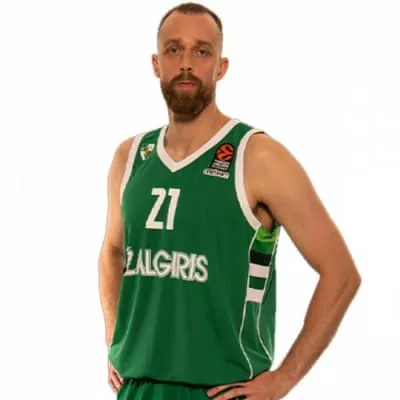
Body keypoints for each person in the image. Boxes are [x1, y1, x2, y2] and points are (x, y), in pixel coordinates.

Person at [98, 3, 361, 399]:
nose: (186, 63)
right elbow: (113, 250)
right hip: (138, 388)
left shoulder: (257, 156)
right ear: (156, 63)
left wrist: (283, 379)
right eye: (174, 50)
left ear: (221, 67)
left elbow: (340, 273)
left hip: (219, 390)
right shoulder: (131, 156)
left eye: (202, 51)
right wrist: (116, 339)